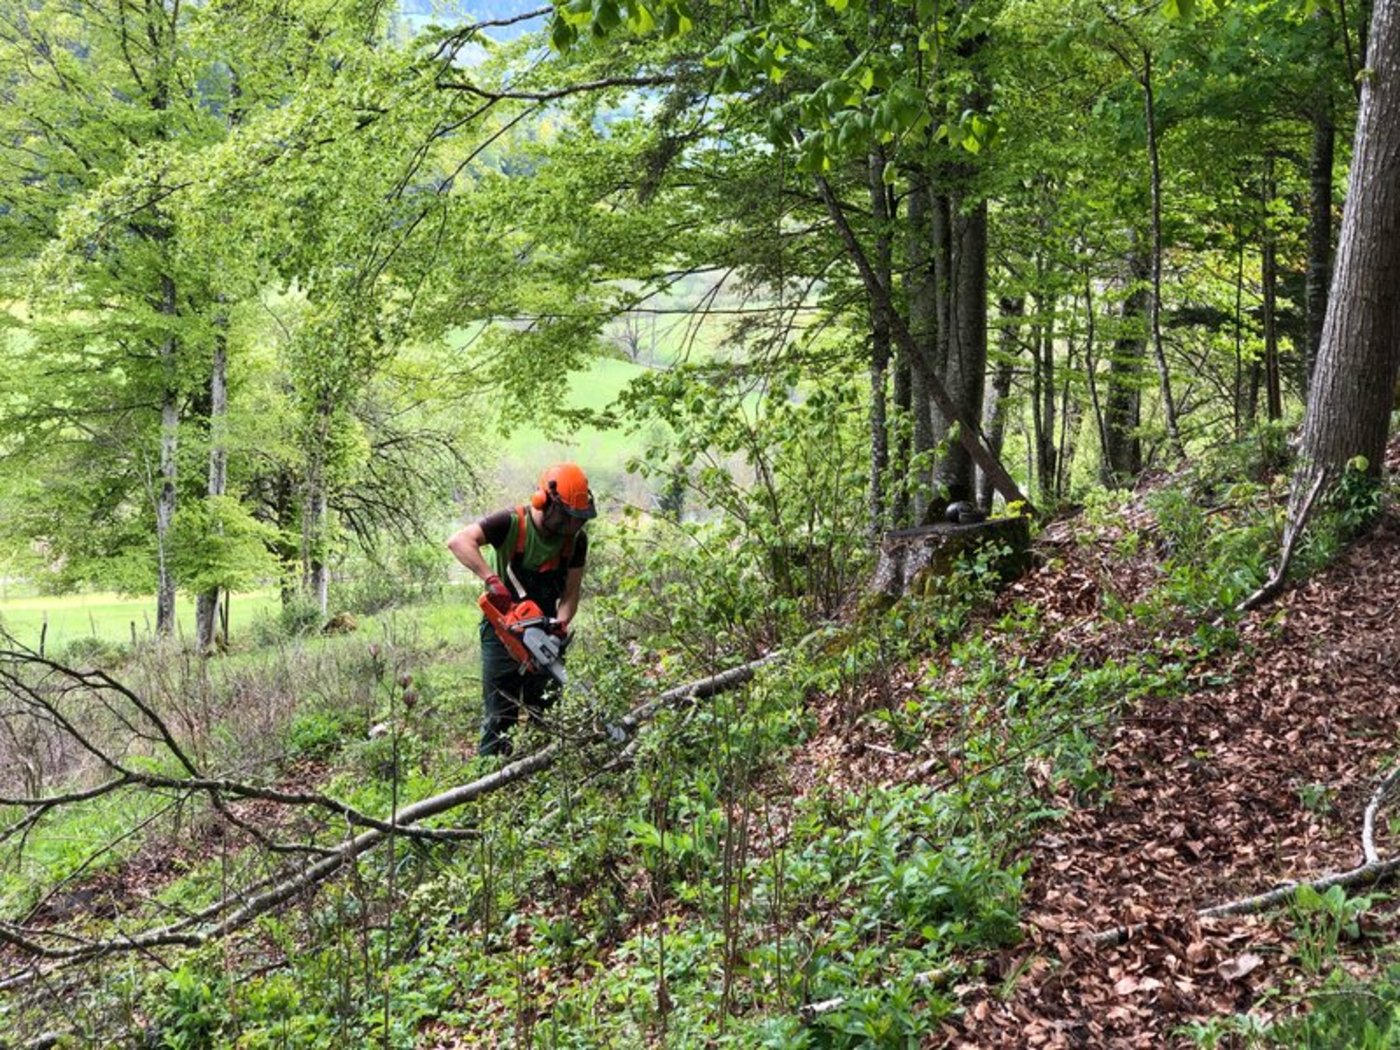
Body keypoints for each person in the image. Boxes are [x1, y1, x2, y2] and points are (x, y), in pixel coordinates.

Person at [447, 464, 596, 756]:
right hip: (503, 630)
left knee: (547, 709)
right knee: (499, 712)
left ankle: (543, 770)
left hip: (545, 629)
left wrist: (560, 626)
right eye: (568, 517)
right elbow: (459, 541)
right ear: (545, 501)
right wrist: (491, 579)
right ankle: (491, 778)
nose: (573, 525)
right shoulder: (511, 522)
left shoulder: (576, 540)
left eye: (578, 519)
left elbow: (571, 594)